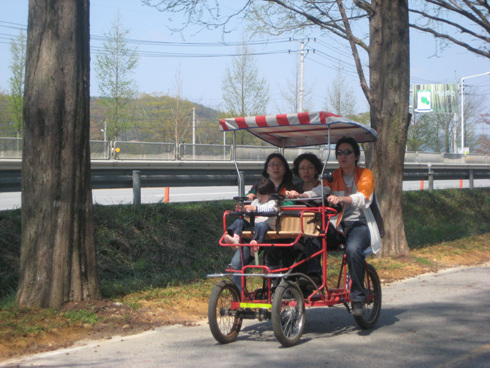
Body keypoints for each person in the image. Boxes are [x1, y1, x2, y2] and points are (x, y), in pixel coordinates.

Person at [324, 136, 382, 316]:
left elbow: (363, 198)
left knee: (353, 249)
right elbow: (320, 191)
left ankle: (358, 298)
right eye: (339, 152)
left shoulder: (365, 174)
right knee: (309, 241)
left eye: (348, 152)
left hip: (361, 225)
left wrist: (342, 199)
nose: (343, 156)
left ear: (356, 156)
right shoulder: (332, 177)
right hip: (338, 226)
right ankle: (308, 285)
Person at [224, 177, 280, 291]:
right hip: (253, 230)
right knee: (240, 221)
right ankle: (234, 237)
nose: (260, 198)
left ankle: (256, 243)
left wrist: (255, 208)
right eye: (258, 195)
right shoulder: (255, 201)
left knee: (261, 225)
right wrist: (243, 210)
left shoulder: (272, 203)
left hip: (267, 232)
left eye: (263, 196)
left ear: (270, 194)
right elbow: (248, 213)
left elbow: (271, 211)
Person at [285, 153, 325, 285]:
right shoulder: (294, 188)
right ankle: (287, 278)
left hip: (318, 226)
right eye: (302, 168)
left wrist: (299, 196)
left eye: (309, 167)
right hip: (297, 227)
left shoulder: (323, 186)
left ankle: (314, 274)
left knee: (311, 236)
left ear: (316, 169)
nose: (306, 171)